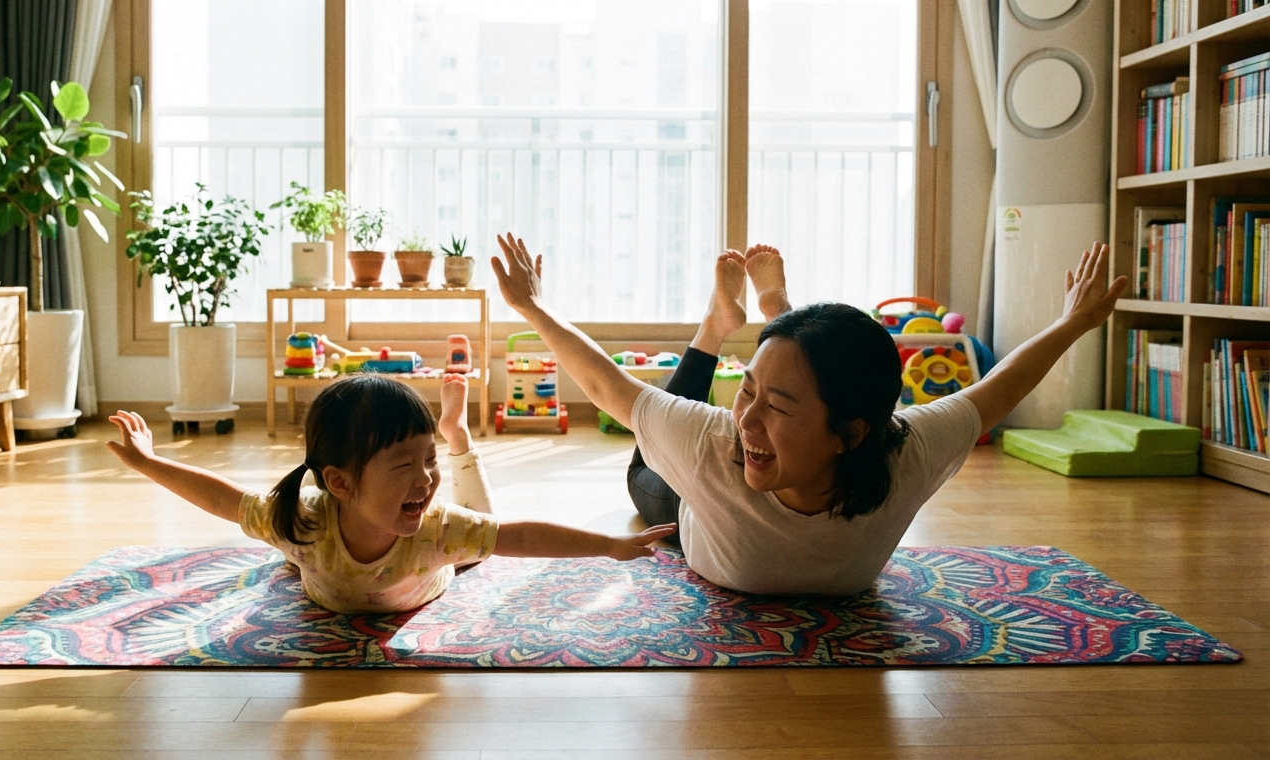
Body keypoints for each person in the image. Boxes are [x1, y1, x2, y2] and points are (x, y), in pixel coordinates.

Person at [492, 233, 1127, 596]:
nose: (746, 421)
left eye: (778, 408)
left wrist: (1074, 323)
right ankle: (730, 324)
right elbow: (609, 388)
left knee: (793, 365)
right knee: (642, 479)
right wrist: (532, 309)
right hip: (693, 517)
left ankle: (771, 316)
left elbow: (997, 391)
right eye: (748, 393)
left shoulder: (906, 452)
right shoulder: (712, 448)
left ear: (853, 435)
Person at [106, 373, 674, 613]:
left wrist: (608, 545)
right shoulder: (302, 521)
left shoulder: (438, 529)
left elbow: (517, 535)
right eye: (405, 464)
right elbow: (222, 500)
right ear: (340, 483)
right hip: (320, 554)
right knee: (291, 548)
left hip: (433, 565)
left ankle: (458, 440)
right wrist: (150, 461)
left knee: (481, 527)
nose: (424, 480)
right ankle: (452, 436)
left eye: (428, 461)